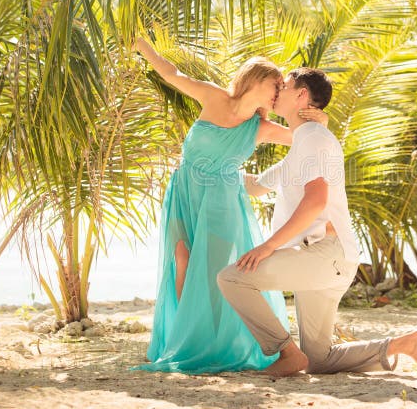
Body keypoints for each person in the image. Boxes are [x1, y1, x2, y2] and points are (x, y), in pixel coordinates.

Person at [217, 68, 417, 377]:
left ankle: (286, 354)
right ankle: (406, 345)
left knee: (232, 278)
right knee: (319, 360)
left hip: (324, 255)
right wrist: (204, 167)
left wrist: (267, 247)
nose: (277, 90)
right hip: (327, 259)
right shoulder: (302, 144)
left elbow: (316, 201)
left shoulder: (315, 139)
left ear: (302, 95)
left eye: (286, 86)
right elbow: (254, 185)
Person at [132, 38, 326, 374]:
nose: (277, 92)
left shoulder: (261, 128)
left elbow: (304, 137)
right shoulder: (214, 96)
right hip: (184, 189)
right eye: (274, 84)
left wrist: (318, 122)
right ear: (254, 79)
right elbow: (172, 74)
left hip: (221, 201)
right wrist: (143, 47)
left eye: (282, 87)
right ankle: (184, 339)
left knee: (212, 274)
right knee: (180, 260)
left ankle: (210, 345)